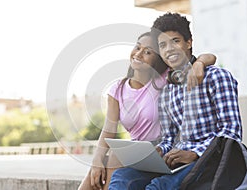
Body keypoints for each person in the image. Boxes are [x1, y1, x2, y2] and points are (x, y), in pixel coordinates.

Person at [108, 13, 242, 190]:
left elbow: (232, 134)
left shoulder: (217, 77)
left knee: (158, 187)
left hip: (211, 162)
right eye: (163, 45)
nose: (169, 49)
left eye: (175, 41)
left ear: (189, 42)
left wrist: (194, 153)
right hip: (178, 163)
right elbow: (169, 138)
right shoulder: (166, 91)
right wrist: (158, 152)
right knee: (123, 177)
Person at [78, 31, 216, 190]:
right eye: (137, 48)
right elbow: (109, 129)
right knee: (99, 167)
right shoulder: (118, 88)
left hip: (163, 150)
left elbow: (210, 57)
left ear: (157, 59)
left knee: (114, 158)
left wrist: (199, 64)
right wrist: (96, 160)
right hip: (138, 153)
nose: (139, 54)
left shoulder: (164, 79)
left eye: (148, 52)